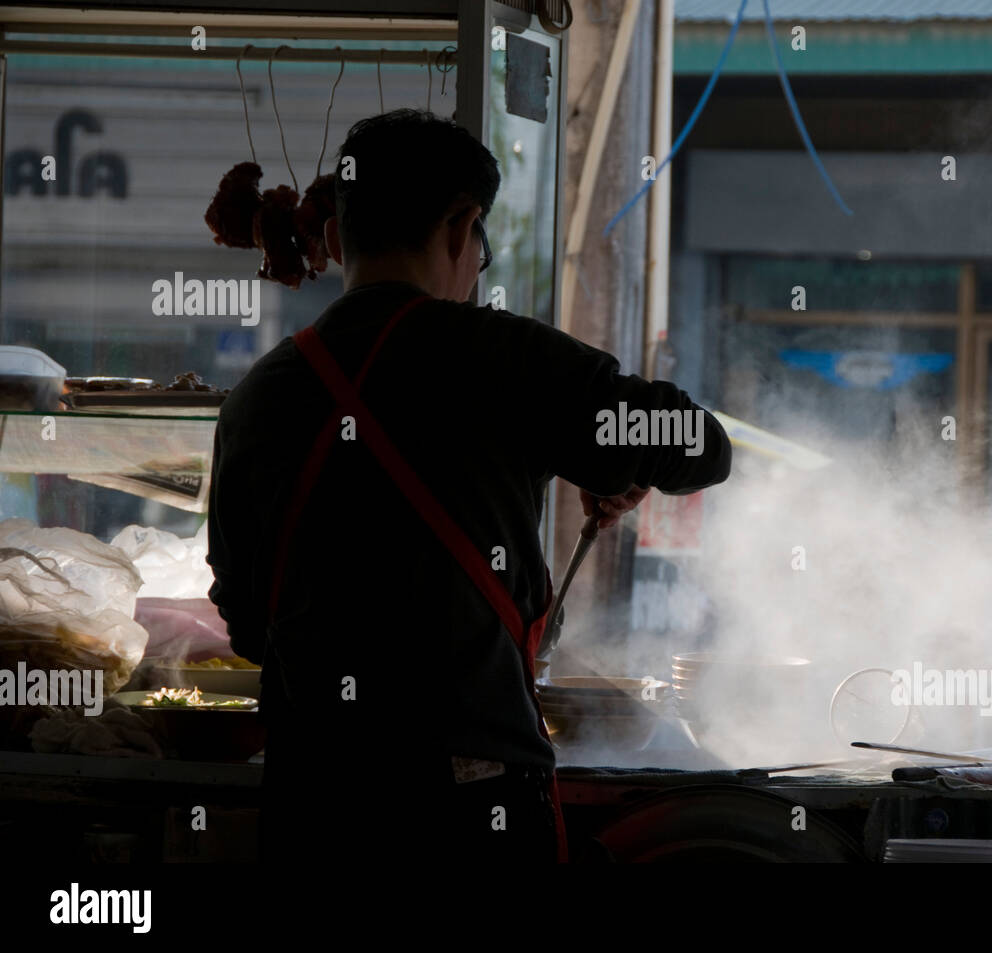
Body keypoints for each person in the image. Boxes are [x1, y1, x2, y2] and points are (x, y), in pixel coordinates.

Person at [205, 109, 731, 868]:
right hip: (469, 807)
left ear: (333, 240)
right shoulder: (504, 356)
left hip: (313, 805)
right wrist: (623, 458)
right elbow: (700, 447)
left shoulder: (257, 398)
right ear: (463, 225)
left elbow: (249, 623)